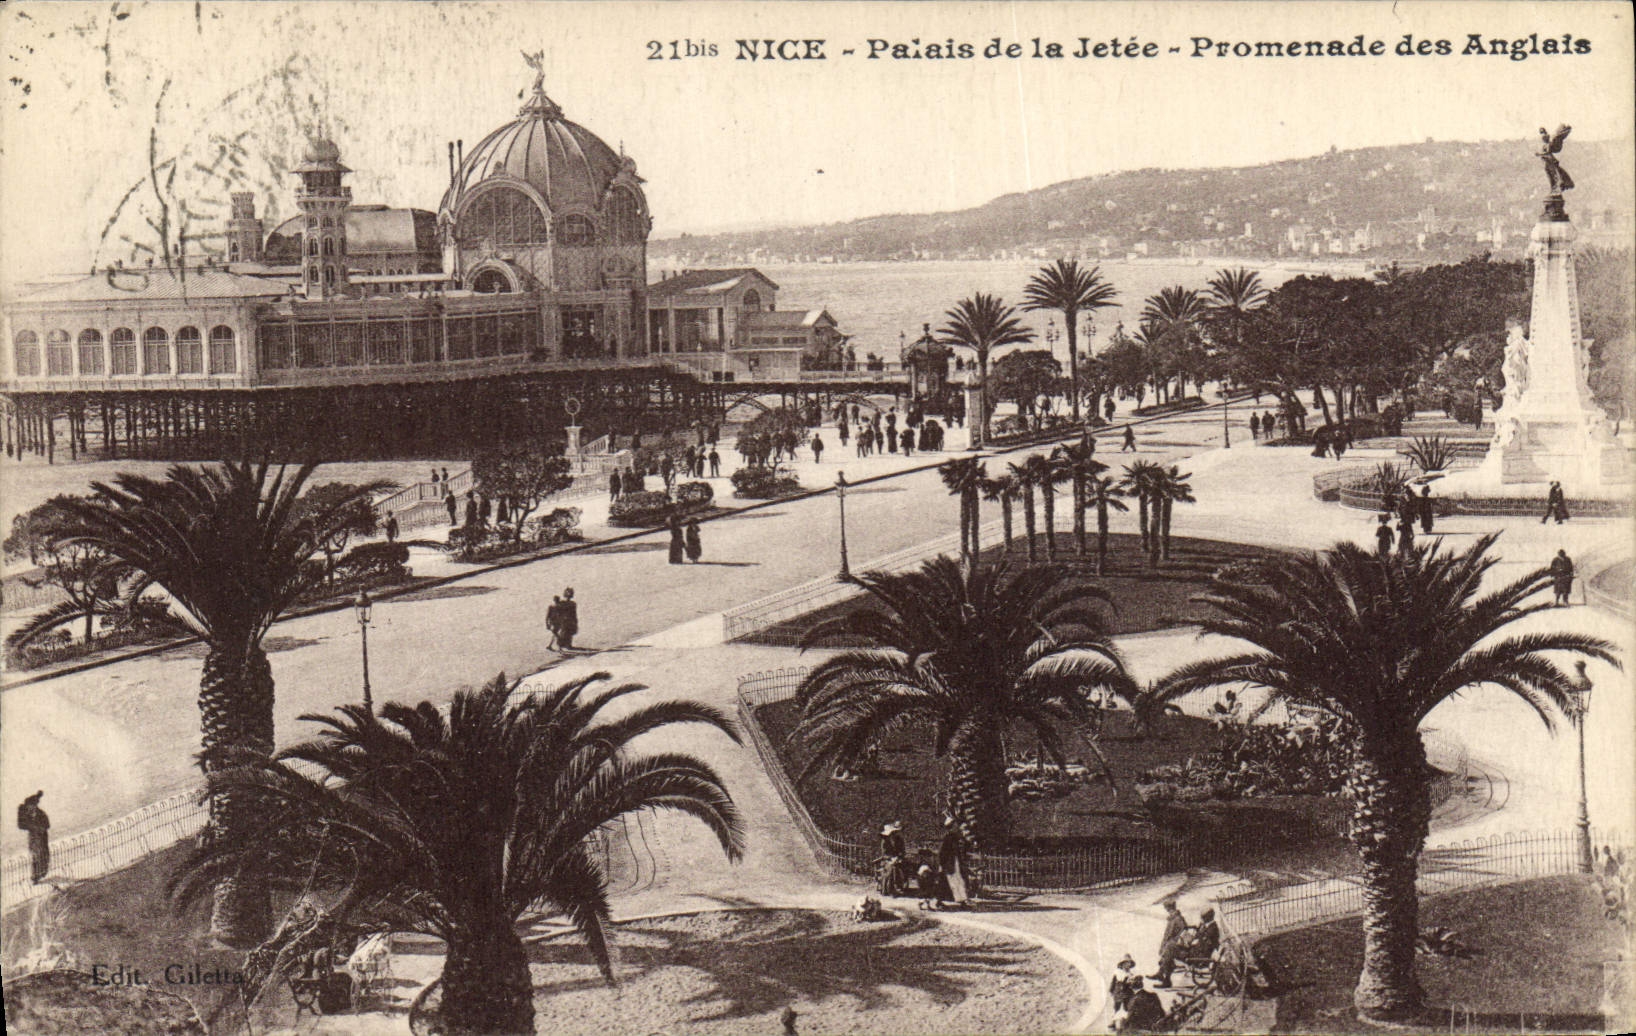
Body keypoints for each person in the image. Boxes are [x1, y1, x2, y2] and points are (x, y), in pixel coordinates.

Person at [1152, 899, 1189, 986]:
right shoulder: (1172, 918)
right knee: (1166, 956)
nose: (1168, 911)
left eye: (1168, 909)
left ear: (1170, 908)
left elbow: (1184, 931)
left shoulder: (1178, 918)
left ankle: (1162, 976)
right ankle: (1162, 976)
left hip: (1176, 946)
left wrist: (1175, 941)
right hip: (1171, 944)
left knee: (1167, 955)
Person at [18, 790, 49, 883]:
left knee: (43, 855)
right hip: (34, 837)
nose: (32, 807)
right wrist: (35, 828)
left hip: (42, 837)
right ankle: (35, 876)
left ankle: (41, 873)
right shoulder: (28, 815)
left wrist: (41, 828)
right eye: (31, 805)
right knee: (36, 856)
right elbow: (21, 825)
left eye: (33, 805)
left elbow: (47, 824)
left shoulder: (40, 813)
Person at [938, 815, 970, 906]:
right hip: (949, 863)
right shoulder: (948, 838)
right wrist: (942, 864)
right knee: (951, 881)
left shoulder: (955, 837)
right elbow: (943, 852)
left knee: (958, 880)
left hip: (955, 862)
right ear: (951, 827)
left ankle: (962, 900)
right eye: (955, 825)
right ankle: (942, 901)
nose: (957, 827)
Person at [878, 821, 908, 896]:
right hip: (886, 860)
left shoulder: (899, 840)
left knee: (899, 867)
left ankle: (898, 887)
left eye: (893, 833)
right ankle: (889, 889)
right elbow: (884, 854)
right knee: (891, 868)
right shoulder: (884, 842)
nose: (892, 835)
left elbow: (902, 851)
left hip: (898, 859)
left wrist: (898, 857)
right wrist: (891, 858)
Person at [1108, 955, 1142, 1019]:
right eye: (1126, 963)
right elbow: (1113, 982)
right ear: (1122, 964)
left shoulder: (1131, 974)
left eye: (1129, 963)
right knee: (1117, 1006)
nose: (1128, 965)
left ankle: (1127, 1019)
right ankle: (1114, 1018)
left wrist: (1133, 982)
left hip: (1127, 992)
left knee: (1127, 1007)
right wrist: (1111, 990)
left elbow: (1132, 985)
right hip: (1119, 992)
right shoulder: (1118, 973)